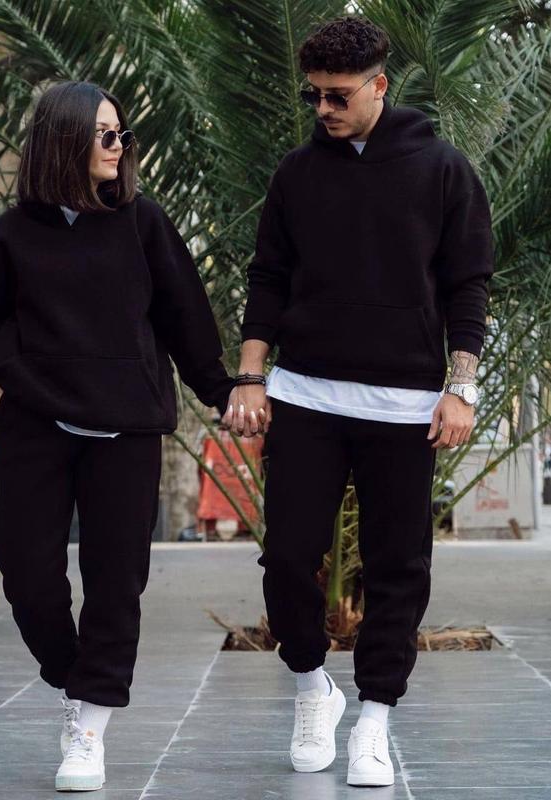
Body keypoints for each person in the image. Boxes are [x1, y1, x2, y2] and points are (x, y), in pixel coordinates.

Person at [223, 16, 493, 787]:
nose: (322, 109)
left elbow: (467, 284)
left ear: (379, 85)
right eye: (311, 95)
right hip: (305, 395)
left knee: (397, 567)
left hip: (405, 406)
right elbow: (267, 277)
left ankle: (374, 716)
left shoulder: (442, 170)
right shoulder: (296, 173)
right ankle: (312, 687)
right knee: (285, 556)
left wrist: (460, 388)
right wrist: (250, 375)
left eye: (337, 96)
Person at [0, 80, 234, 792]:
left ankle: (89, 722)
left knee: (116, 582)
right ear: (64, 141)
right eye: (105, 135)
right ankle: (75, 678)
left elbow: (186, 319)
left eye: (121, 134)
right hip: (37, 425)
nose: (119, 146)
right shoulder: (14, 233)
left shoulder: (143, 223)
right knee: (26, 574)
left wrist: (223, 392)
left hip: (127, 429)